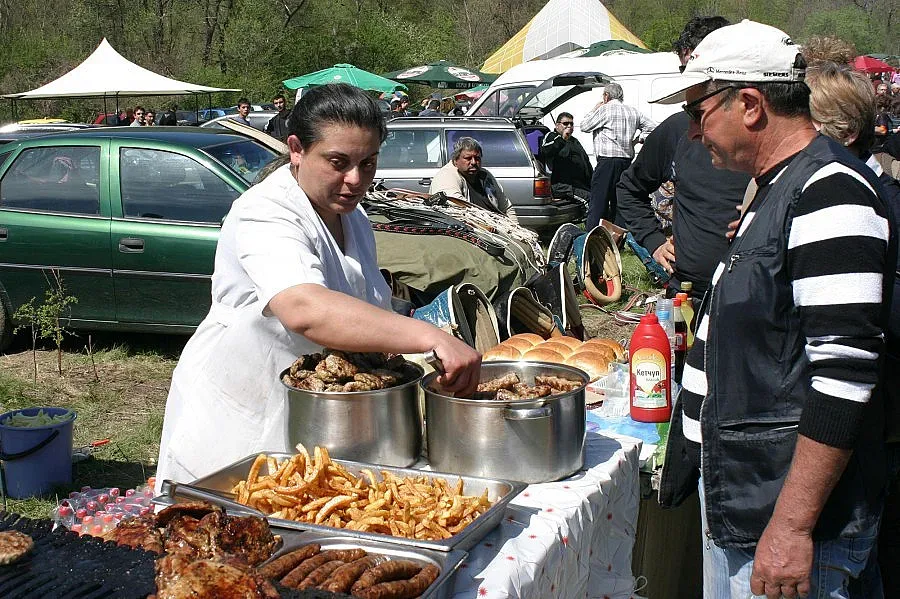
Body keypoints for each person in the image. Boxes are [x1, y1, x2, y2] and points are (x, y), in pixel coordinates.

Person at [652, 20, 892, 599]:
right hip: (750, 500)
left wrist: (791, 526)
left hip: (779, 515)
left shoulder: (830, 189)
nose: (690, 131)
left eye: (698, 111)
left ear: (751, 105)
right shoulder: (780, 188)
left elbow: (844, 376)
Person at [155, 84, 481, 487]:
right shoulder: (265, 210)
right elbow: (304, 308)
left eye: (369, 163)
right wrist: (428, 337)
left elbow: (361, 310)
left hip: (317, 414)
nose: (355, 179)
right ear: (296, 149)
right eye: (338, 162)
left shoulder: (353, 218)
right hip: (244, 414)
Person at [804, 61, 900, 598]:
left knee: (860, 555)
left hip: (867, 423)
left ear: (842, 133)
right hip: (860, 422)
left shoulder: (867, 200)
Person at [617, 16, 749, 301]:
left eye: (700, 70)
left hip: (749, 297)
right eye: (686, 68)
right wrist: (654, 242)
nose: (691, 80)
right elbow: (629, 188)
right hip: (688, 293)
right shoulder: (679, 129)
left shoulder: (762, 139)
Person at [579, 82, 656, 228]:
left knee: (598, 201)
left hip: (607, 161)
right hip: (626, 161)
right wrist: (639, 139)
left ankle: (593, 236)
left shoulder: (605, 110)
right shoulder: (633, 111)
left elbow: (584, 126)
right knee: (619, 201)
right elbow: (653, 127)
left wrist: (594, 109)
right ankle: (618, 238)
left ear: (606, 96)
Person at [429, 137, 517, 221]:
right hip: (473, 231)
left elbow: (506, 207)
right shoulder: (446, 176)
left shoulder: (485, 175)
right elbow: (458, 208)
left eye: (477, 158)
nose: (473, 162)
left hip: (499, 227)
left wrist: (516, 229)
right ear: (456, 160)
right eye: (468, 158)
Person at [539, 112, 592, 203]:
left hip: (578, 184)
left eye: (571, 124)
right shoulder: (552, 136)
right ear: (557, 125)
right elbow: (546, 151)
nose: (569, 126)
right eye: (565, 123)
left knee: (599, 197)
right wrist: (562, 139)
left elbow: (585, 161)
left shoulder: (574, 141)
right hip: (561, 186)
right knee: (590, 200)